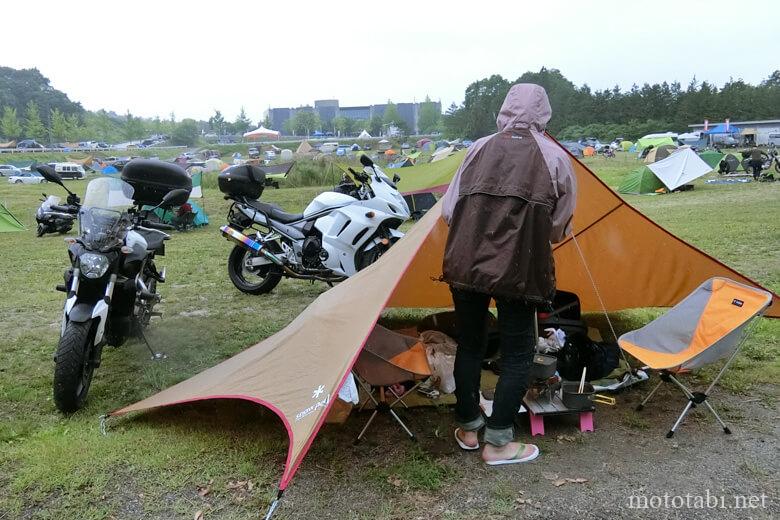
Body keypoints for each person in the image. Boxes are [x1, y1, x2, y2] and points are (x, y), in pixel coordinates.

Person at [441, 84, 577, 465]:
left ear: (503, 110)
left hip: (465, 262)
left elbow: (450, 211)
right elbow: (558, 227)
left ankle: (469, 428)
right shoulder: (555, 157)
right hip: (520, 267)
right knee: (518, 353)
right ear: (545, 113)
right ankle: (498, 443)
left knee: (470, 343)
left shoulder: (477, 148)